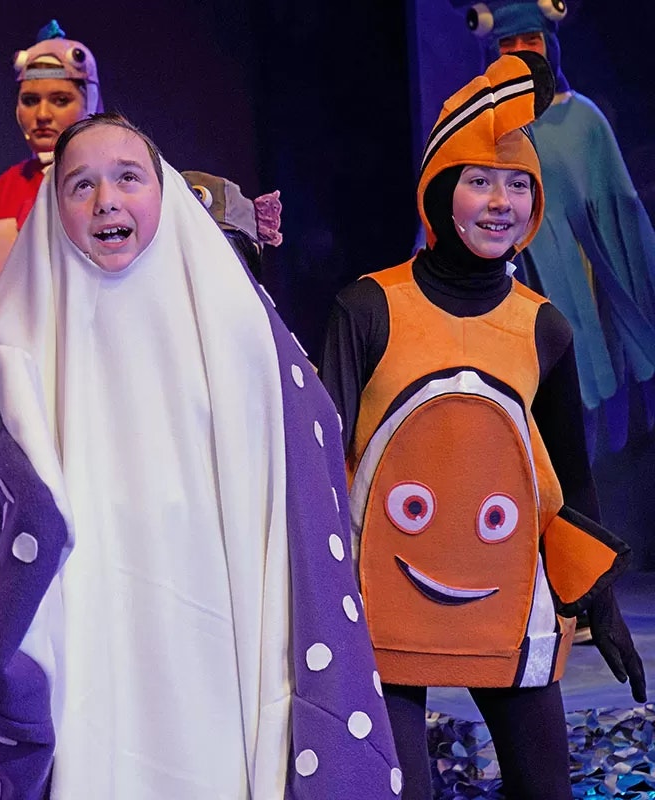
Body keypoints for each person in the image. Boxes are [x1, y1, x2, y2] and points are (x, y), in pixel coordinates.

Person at [0, 113, 401, 799]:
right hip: (93, 638)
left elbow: (298, 484)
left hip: (225, 629)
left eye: (127, 178)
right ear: (53, 211)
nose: (106, 200)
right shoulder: (18, 354)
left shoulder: (238, 333)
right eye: (80, 185)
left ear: (166, 194)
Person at [319, 52, 645, 800]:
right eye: (479, 181)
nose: (500, 202)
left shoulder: (545, 329)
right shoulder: (368, 309)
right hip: (384, 611)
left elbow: (570, 480)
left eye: (518, 185)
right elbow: (322, 463)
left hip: (510, 607)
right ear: (439, 190)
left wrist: (601, 603)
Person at [456, 0, 655, 451]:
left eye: (532, 41)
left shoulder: (583, 120)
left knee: (595, 404)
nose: (524, 53)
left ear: (550, 43)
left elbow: (624, 215)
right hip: (517, 291)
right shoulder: (485, 129)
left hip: (587, 291)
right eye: (509, 45)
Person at [0, 20, 101, 347]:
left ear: (89, 101)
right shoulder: (0, 191)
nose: (43, 114)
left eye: (61, 100)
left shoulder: (113, 189)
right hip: (11, 362)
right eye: (30, 100)